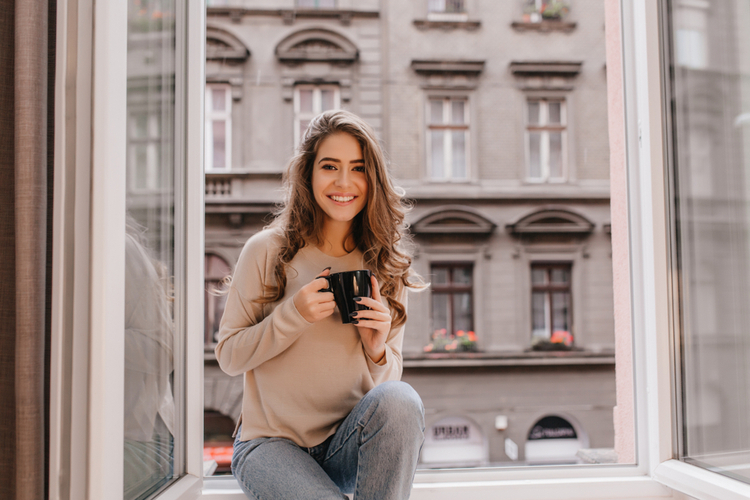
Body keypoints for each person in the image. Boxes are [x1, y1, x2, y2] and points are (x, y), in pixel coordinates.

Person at [215, 110, 426, 500]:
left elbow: (389, 395)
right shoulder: (267, 250)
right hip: (270, 445)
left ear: (372, 179)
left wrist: (376, 348)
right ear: (308, 173)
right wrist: (292, 316)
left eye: (358, 168)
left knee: (402, 400)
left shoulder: (385, 264)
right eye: (330, 166)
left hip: (347, 447)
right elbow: (228, 356)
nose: (344, 182)